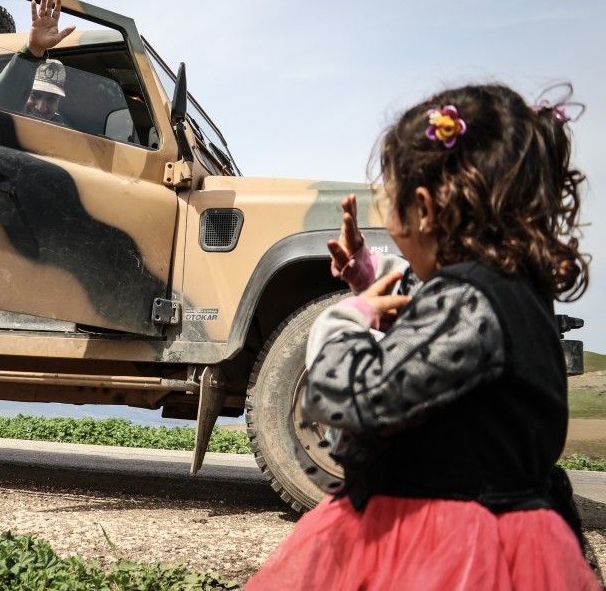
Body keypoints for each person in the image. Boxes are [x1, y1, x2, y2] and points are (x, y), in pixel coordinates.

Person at [246, 83, 599, 590]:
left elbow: (350, 397)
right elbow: (437, 339)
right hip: (516, 538)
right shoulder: (515, 292)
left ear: (426, 209)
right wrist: (370, 278)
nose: (386, 224)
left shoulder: (466, 302)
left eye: (388, 202)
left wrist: (347, 318)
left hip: (447, 547)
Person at [0, 0, 75, 124]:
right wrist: (33, 51)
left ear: (59, 104)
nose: (41, 107)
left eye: (52, 99)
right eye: (34, 95)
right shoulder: (4, 121)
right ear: (21, 93)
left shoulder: (63, 128)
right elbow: (0, 97)